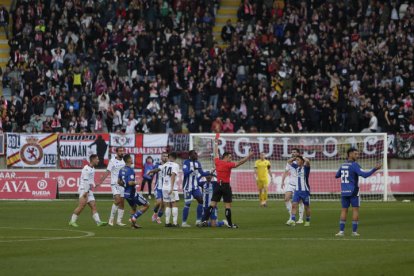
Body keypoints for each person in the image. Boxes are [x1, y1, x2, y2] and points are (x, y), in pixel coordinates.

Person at [201, 137, 254, 228]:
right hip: (225, 186)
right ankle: (230, 224)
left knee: (212, 204)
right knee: (227, 206)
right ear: (225, 157)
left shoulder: (217, 162)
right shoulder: (228, 164)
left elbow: (216, 153)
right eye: (230, 157)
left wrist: (216, 143)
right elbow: (240, 163)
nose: (231, 158)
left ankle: (204, 220)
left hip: (217, 186)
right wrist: (248, 156)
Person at [335, 148, 382, 237]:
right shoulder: (355, 165)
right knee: (355, 210)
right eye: (355, 154)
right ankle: (354, 232)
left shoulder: (342, 165)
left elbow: (337, 175)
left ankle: (341, 231)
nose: (357, 155)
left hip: (344, 192)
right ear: (350, 154)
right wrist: (374, 169)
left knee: (344, 210)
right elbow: (364, 175)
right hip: (353, 191)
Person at [68, 154, 107, 227]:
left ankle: (98, 222)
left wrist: (95, 185)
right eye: (97, 159)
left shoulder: (92, 168)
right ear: (93, 160)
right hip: (84, 189)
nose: (98, 160)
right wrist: (85, 192)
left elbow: (90, 180)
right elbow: (86, 181)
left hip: (89, 190)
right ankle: (72, 221)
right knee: (81, 206)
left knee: (93, 206)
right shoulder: (86, 169)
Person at [119, 154, 150, 229]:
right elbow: (130, 182)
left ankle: (133, 225)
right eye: (131, 158)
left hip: (126, 194)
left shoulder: (121, 169)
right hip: (132, 193)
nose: (132, 159)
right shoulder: (130, 170)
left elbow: (119, 182)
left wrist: (125, 186)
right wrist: (137, 182)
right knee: (147, 205)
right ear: (129, 160)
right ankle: (134, 217)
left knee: (134, 207)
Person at [181, 150, 209, 227]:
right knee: (188, 204)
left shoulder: (198, 163)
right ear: (190, 155)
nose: (196, 155)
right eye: (195, 154)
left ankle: (198, 221)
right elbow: (185, 173)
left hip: (195, 187)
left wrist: (210, 172)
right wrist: (191, 170)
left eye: (196, 153)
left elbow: (202, 173)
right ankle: (184, 223)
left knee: (201, 201)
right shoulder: (186, 162)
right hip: (187, 187)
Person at [100, 147, 126, 226]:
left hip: (122, 184)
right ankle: (111, 219)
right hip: (114, 183)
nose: (122, 152)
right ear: (117, 152)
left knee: (122, 203)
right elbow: (108, 171)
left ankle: (119, 221)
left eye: (123, 151)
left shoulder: (123, 161)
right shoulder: (112, 161)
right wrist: (100, 181)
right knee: (117, 200)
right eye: (120, 151)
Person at [286, 156, 311, 227]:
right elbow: (289, 162)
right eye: (296, 160)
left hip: (305, 191)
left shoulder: (306, 168)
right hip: (297, 191)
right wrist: (294, 158)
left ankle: (308, 220)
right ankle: (293, 221)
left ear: (302, 161)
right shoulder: (297, 167)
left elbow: (308, 162)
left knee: (307, 207)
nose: (296, 161)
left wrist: (303, 157)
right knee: (294, 205)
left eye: (298, 160)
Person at [281, 148, 305, 223]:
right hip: (291, 183)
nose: (293, 153)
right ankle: (291, 217)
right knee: (286, 198)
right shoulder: (290, 162)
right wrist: (282, 181)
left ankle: (300, 218)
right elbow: (286, 171)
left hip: (299, 184)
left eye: (294, 152)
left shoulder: (302, 161)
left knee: (300, 201)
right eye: (292, 152)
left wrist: (297, 158)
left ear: (298, 153)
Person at [148, 152, 169, 224]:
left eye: (166, 156)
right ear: (161, 157)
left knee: (163, 205)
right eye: (164, 156)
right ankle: (155, 212)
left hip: (166, 187)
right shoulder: (157, 165)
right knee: (158, 202)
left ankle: (158, 217)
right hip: (158, 187)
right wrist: (151, 174)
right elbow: (153, 173)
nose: (165, 157)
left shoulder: (169, 166)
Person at [162, 152, 180, 227]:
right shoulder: (175, 165)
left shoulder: (164, 165)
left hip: (164, 187)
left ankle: (167, 222)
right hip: (171, 187)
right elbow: (173, 176)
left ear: (169, 157)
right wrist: (172, 187)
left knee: (167, 204)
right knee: (174, 203)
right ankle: (175, 223)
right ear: (175, 158)